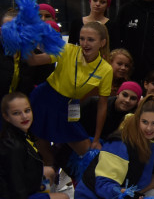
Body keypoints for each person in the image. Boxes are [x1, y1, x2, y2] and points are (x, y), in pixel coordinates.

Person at [25, 21, 112, 161]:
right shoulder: (68, 49)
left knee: (89, 153)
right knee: (45, 153)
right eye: (82, 38)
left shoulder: (106, 69)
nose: (85, 43)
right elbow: (33, 61)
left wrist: (96, 139)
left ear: (102, 42)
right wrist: (25, 39)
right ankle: (49, 180)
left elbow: (102, 105)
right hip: (43, 99)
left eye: (90, 39)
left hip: (68, 106)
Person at [0, 93, 71, 199]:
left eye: (27, 110)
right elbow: (17, 190)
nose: (24, 116)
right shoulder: (14, 147)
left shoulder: (17, 135)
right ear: (6, 117)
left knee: (49, 171)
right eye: (16, 113)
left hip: (15, 195)